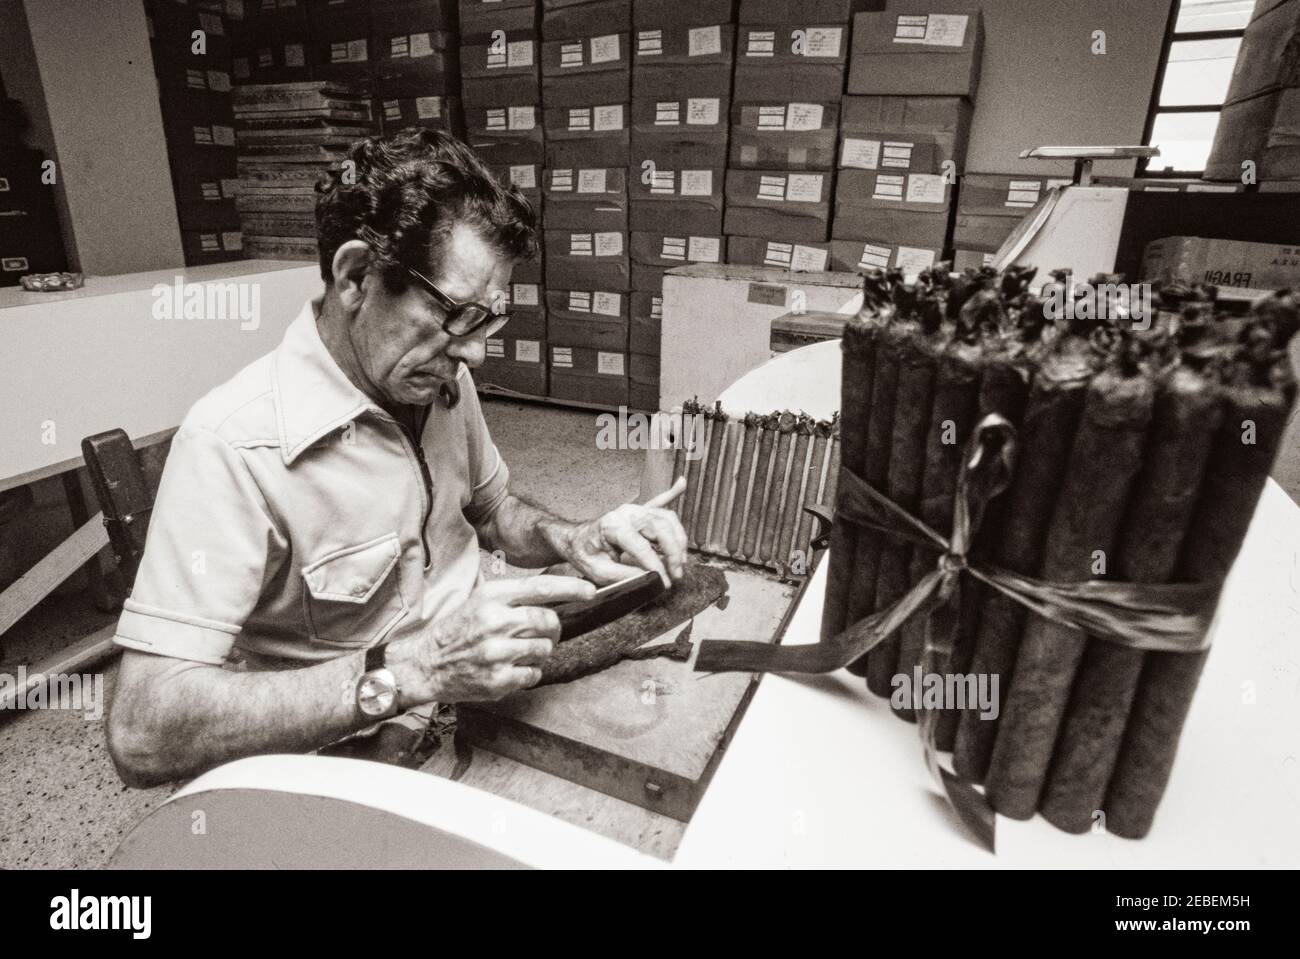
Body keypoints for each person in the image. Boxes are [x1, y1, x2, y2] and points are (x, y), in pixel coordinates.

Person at [106, 129, 688, 787]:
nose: (475, 355)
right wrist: (417, 669)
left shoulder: (438, 378)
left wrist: (573, 535)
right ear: (356, 275)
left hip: (479, 703)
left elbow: (493, 509)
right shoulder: (234, 446)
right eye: (458, 316)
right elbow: (142, 733)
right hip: (356, 757)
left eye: (491, 321)